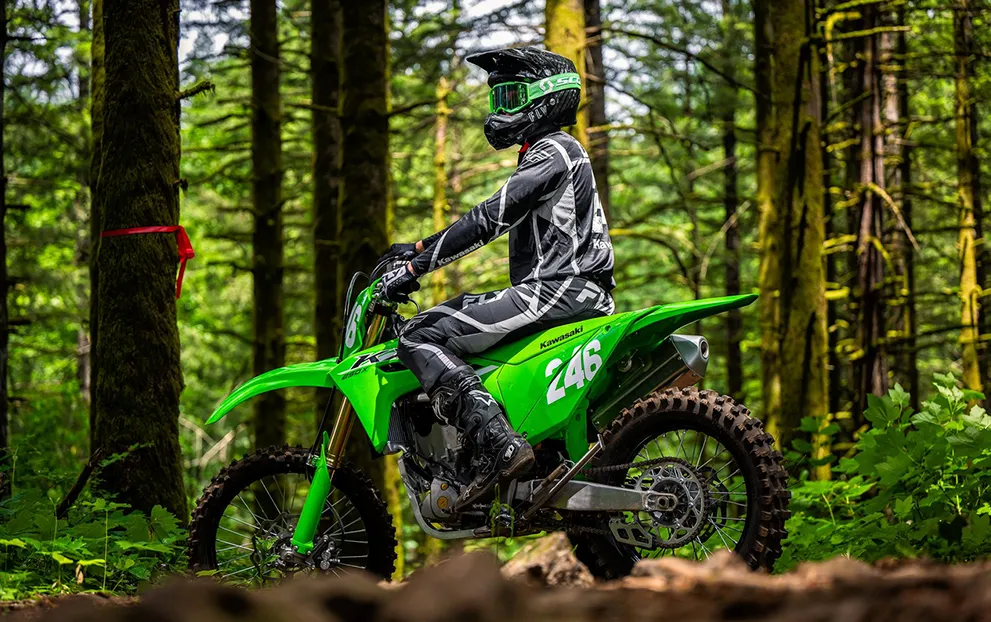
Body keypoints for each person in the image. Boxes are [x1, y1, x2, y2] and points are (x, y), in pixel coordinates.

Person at [378, 46, 615, 510]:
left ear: (546, 98)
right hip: (569, 291)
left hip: (559, 290)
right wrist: (419, 248)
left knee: (420, 334)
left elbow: (490, 217)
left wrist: (414, 268)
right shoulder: (554, 153)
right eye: (497, 98)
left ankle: (499, 444)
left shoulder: (554, 150)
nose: (499, 109)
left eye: (510, 97)